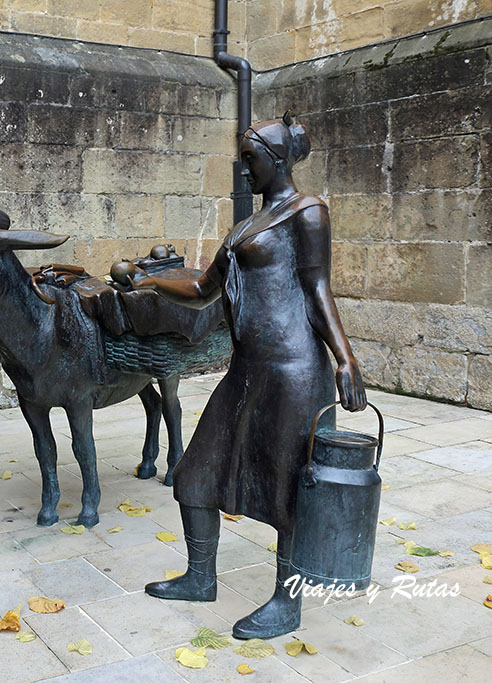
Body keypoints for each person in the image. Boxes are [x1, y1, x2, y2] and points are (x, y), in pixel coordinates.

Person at [132, 115, 367, 639]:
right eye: (242, 158)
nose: (243, 168)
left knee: (288, 489)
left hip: (293, 373)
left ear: (278, 159)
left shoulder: (307, 212)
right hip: (246, 372)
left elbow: (318, 288)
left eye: (250, 158)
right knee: (195, 474)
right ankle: (200, 578)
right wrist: (152, 279)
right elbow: (202, 288)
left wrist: (346, 358)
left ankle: (288, 602)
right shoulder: (244, 227)